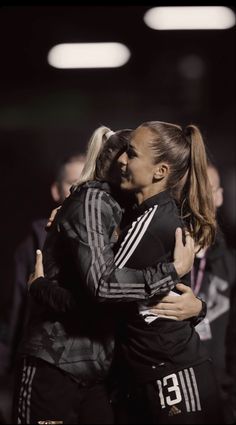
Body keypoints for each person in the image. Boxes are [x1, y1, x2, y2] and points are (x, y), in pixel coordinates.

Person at [13, 125, 199, 425]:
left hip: (102, 370)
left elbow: (121, 297)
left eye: (135, 156)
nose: (128, 162)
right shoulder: (94, 201)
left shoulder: (135, 212)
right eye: (128, 155)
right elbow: (102, 289)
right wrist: (172, 271)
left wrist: (196, 308)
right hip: (58, 363)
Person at [106, 121, 222, 424]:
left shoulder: (154, 221)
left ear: (160, 171)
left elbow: (102, 287)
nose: (121, 159)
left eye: (131, 154)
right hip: (156, 372)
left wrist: (41, 286)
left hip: (172, 374)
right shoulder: (142, 214)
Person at [190, 162, 236, 424]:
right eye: (191, 188)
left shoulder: (230, 263)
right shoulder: (163, 257)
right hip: (174, 395)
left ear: (218, 196)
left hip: (219, 397)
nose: (198, 197)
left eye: (206, 189)